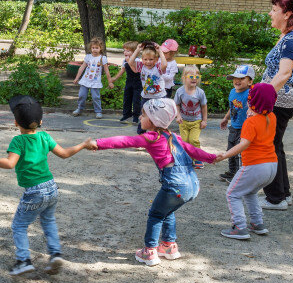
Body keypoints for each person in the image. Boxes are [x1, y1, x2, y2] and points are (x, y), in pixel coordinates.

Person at [90, 98, 217, 267]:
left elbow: (124, 141)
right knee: (168, 211)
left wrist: (98, 143)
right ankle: (169, 246)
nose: (140, 118)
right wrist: (213, 158)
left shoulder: (151, 137)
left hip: (176, 187)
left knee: (156, 214)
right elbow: (194, 151)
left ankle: (149, 251)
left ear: (152, 120)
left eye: (143, 115)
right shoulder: (174, 137)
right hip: (192, 185)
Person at [0, 95, 90, 276]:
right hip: (51, 187)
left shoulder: (18, 141)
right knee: (48, 220)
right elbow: (64, 154)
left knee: (19, 226)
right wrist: (83, 145)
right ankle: (55, 254)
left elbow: (10, 164)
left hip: (34, 191)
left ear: (15, 123)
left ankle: (23, 260)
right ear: (41, 121)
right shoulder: (45, 137)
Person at [260, 0, 293, 210]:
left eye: (274, 9)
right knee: (275, 145)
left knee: (268, 147)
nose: (270, 13)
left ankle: (275, 197)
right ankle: (283, 193)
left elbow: (284, 74)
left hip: (278, 102)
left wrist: (261, 99)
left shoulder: (291, 39)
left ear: (287, 13)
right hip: (284, 100)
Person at [216, 84, 278, 240]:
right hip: (272, 166)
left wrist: (225, 155)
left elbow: (243, 144)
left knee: (232, 193)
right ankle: (257, 223)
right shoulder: (272, 117)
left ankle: (239, 227)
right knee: (250, 192)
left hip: (255, 166)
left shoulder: (250, 122)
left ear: (251, 102)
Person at [218, 65, 254, 182]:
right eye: (235, 78)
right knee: (230, 150)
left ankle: (239, 177)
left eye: (242, 78)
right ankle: (232, 172)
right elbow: (232, 107)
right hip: (234, 126)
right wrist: (225, 118)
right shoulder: (232, 92)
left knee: (240, 153)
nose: (237, 81)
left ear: (250, 81)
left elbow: (253, 110)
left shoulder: (250, 94)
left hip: (245, 128)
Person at [128, 41, 168, 134]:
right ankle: (141, 135)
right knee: (144, 116)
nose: (148, 62)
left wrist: (160, 51)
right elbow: (130, 62)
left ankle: (159, 136)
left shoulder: (158, 67)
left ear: (156, 60)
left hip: (159, 97)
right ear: (142, 59)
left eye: (151, 59)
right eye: (145, 59)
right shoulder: (141, 66)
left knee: (159, 117)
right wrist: (137, 49)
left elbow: (164, 64)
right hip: (146, 97)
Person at [174, 66, 208, 169]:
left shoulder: (200, 92)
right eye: (191, 76)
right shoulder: (180, 91)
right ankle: (188, 158)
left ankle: (198, 158)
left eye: (197, 76)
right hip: (183, 121)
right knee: (185, 141)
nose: (194, 78)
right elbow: (177, 104)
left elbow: (204, 106)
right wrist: (178, 115)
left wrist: (204, 120)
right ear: (184, 77)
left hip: (196, 121)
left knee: (193, 140)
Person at [72, 37, 113, 118]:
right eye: (93, 48)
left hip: (95, 82)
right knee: (82, 95)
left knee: (95, 97)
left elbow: (106, 71)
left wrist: (110, 81)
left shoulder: (102, 58)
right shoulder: (88, 57)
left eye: (96, 48)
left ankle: (98, 111)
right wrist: (77, 78)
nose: (94, 50)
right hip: (85, 80)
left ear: (100, 48)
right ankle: (79, 109)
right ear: (90, 48)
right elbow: (82, 68)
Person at [111, 41, 142, 124]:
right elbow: (123, 70)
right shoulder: (125, 60)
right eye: (124, 50)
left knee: (136, 100)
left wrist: (129, 61)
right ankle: (126, 114)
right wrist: (115, 78)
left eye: (128, 51)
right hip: (129, 82)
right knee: (127, 98)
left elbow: (135, 71)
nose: (125, 52)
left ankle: (136, 116)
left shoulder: (137, 60)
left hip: (137, 83)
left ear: (134, 52)